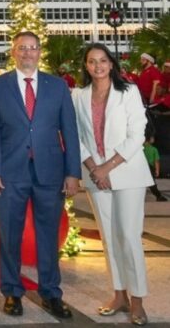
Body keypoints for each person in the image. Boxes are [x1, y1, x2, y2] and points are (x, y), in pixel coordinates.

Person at [0, 32, 81, 319]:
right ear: (13, 52)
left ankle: (51, 293)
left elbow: (70, 131)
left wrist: (73, 172)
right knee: (9, 235)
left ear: (39, 52)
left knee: (48, 235)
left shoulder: (57, 87)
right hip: (9, 171)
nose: (28, 53)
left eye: (32, 48)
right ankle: (12, 293)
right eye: (22, 48)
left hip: (50, 171)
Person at [71, 43, 152, 326]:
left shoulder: (128, 92)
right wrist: (95, 168)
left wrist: (108, 166)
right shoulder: (77, 96)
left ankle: (138, 300)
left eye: (103, 60)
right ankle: (119, 296)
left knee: (129, 237)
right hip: (95, 175)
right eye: (92, 61)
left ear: (112, 64)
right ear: (86, 66)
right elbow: (76, 136)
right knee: (108, 237)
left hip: (127, 172)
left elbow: (137, 133)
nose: (98, 66)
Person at [143, 134, 166, 201]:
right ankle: (158, 196)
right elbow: (156, 161)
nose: (153, 139)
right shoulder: (153, 149)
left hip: (141, 167)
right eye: (152, 138)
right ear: (149, 139)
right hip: (150, 168)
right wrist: (157, 170)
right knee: (152, 183)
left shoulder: (141, 148)